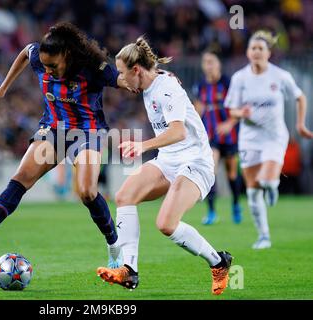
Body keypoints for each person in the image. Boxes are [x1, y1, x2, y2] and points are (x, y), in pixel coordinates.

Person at [0, 22, 134, 268]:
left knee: (86, 192)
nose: (47, 70)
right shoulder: (38, 57)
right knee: (22, 177)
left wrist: (142, 82)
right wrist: (3, 88)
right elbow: (24, 53)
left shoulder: (93, 68)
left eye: (53, 66)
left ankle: (114, 246)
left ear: (67, 55)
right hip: (53, 129)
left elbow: (122, 81)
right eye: (44, 65)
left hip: (87, 132)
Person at [96, 37, 232, 295]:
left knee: (166, 224)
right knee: (124, 196)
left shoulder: (166, 88)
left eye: (124, 75)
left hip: (195, 161)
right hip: (169, 160)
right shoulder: (151, 83)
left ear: (136, 70)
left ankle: (219, 261)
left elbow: (179, 132)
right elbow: (157, 72)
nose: (122, 82)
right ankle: (129, 270)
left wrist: (143, 146)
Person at [222, 30, 313, 249]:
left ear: (268, 53)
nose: (256, 52)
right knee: (252, 191)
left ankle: (273, 186)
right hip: (249, 139)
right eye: (252, 48)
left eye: (260, 48)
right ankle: (264, 236)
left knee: (267, 181)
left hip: (274, 137)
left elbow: (301, 97)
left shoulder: (280, 76)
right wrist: (239, 114)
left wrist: (300, 125)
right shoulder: (240, 78)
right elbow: (230, 109)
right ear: (247, 52)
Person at [193, 49, 242, 225]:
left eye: (211, 61)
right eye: (205, 62)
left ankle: (236, 203)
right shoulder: (200, 86)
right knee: (210, 170)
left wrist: (229, 123)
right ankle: (212, 212)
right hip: (210, 136)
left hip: (230, 136)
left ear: (218, 64)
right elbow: (198, 110)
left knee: (231, 172)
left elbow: (238, 107)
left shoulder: (228, 83)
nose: (208, 65)